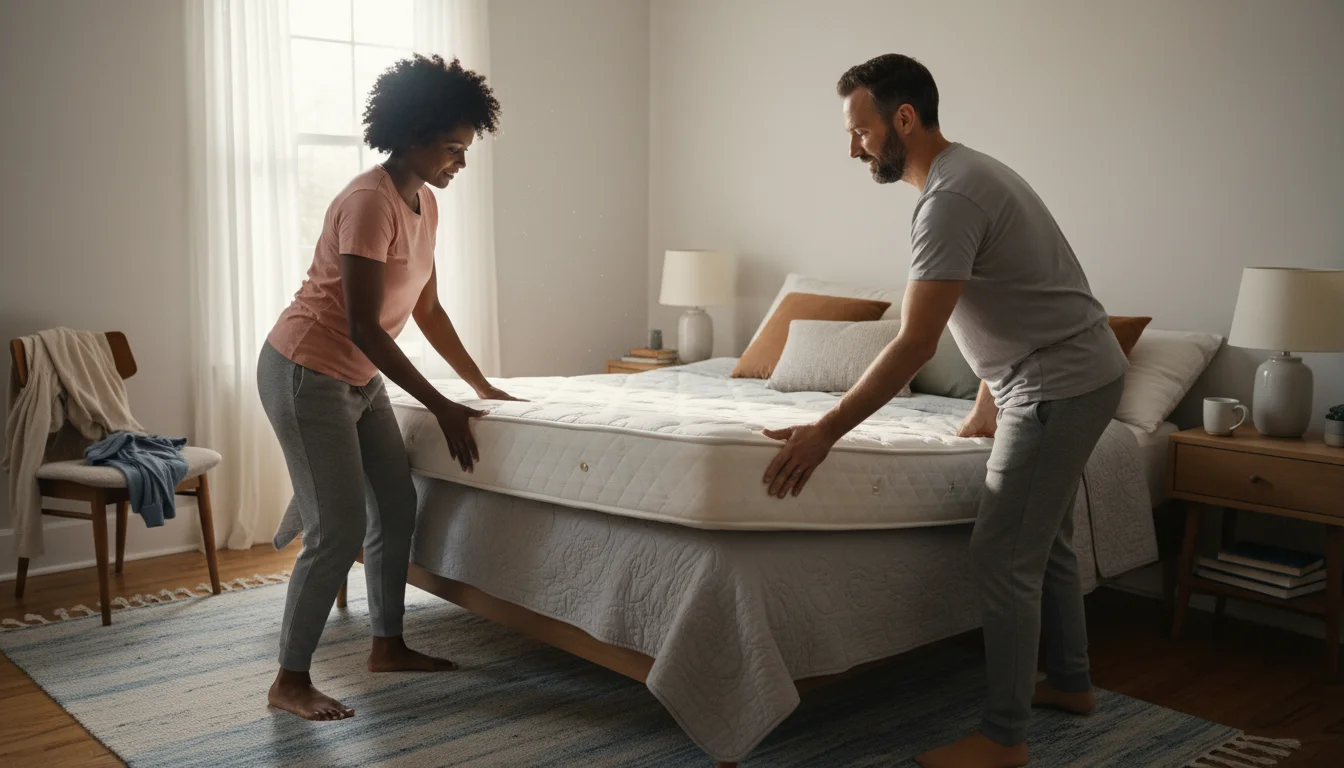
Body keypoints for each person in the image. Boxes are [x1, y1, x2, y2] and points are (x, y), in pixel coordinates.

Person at [760, 54, 1127, 768]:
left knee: (1003, 553)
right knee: (1042, 542)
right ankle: (1073, 684)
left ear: (903, 119)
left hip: (1059, 386)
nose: (853, 148)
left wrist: (825, 431)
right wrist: (988, 402)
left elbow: (915, 343)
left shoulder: (952, 198)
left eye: (861, 131)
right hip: (1061, 377)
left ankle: (1003, 737)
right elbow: (1013, 299)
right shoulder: (970, 175)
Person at [258, 54, 518, 722]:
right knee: (336, 528)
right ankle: (289, 680)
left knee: (395, 503)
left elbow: (426, 310)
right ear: (416, 135)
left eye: (465, 148)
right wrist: (441, 406)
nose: (460, 161)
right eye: (454, 148)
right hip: (306, 371)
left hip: (358, 375)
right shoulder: (369, 202)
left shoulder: (424, 202)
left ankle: (389, 644)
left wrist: (482, 386)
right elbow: (364, 327)